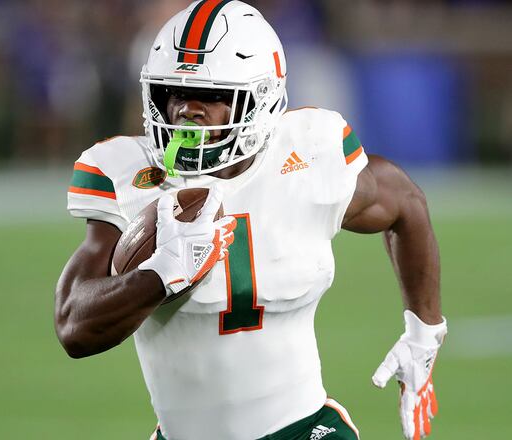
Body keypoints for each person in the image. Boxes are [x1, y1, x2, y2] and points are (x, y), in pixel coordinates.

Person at [54, 1, 446, 439]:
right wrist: (160, 275)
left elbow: (407, 204)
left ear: (261, 100)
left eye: (214, 97)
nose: (188, 111)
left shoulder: (308, 156)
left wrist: (424, 332)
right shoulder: (130, 174)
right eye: (175, 93)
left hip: (303, 431)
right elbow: (74, 327)